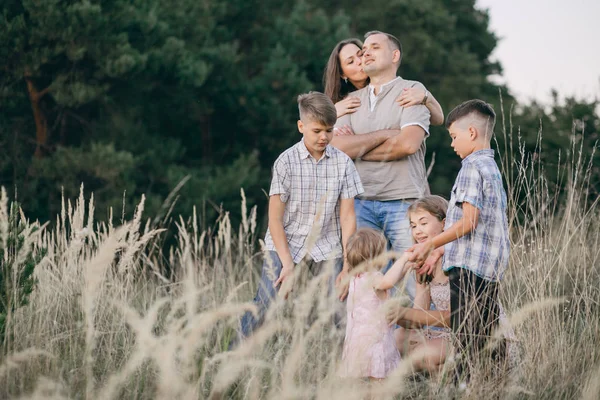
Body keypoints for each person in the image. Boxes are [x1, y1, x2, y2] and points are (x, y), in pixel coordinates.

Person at [239, 91, 364, 338]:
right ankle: (233, 359)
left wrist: (348, 265)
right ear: (301, 126)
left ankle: (348, 371)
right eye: (317, 131)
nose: (324, 137)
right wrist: (286, 263)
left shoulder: (343, 163)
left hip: (327, 244)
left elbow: (348, 217)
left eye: (329, 130)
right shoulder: (285, 162)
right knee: (266, 302)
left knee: (340, 305)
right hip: (288, 242)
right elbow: (274, 218)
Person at [408, 100, 511, 383]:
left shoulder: (470, 168)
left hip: (469, 268)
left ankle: (464, 386)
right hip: (489, 268)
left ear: (472, 133)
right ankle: (493, 383)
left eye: (454, 136)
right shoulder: (492, 168)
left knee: (467, 337)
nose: (453, 144)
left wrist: (430, 244)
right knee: (485, 334)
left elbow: (468, 221)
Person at [330, 31, 437, 302]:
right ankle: (378, 345)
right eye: (363, 48)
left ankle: (424, 344)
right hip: (362, 205)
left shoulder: (412, 92)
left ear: (395, 55)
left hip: (404, 204)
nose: (365, 52)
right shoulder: (352, 102)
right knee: (367, 289)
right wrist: (386, 135)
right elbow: (338, 148)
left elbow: (407, 144)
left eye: (374, 47)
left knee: (418, 285)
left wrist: (360, 150)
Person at [388, 196, 517, 376]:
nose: (417, 231)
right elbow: (420, 313)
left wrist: (406, 313)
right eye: (413, 225)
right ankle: (446, 375)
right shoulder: (423, 264)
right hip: (446, 333)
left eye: (423, 223)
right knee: (396, 339)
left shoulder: (457, 259)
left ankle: (463, 377)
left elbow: (456, 317)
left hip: (471, 333)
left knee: (421, 355)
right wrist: (394, 316)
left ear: (444, 223)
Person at [339, 228, 413, 380]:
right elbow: (387, 282)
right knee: (379, 379)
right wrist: (403, 259)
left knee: (360, 380)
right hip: (376, 339)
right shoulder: (375, 278)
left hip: (357, 339)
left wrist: (407, 267)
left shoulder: (356, 277)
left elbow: (389, 281)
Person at [323, 38, 445, 124]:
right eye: (350, 62)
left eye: (360, 54)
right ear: (342, 74)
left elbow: (438, 119)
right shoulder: (342, 104)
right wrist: (331, 114)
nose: (360, 61)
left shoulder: (399, 88)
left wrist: (426, 98)